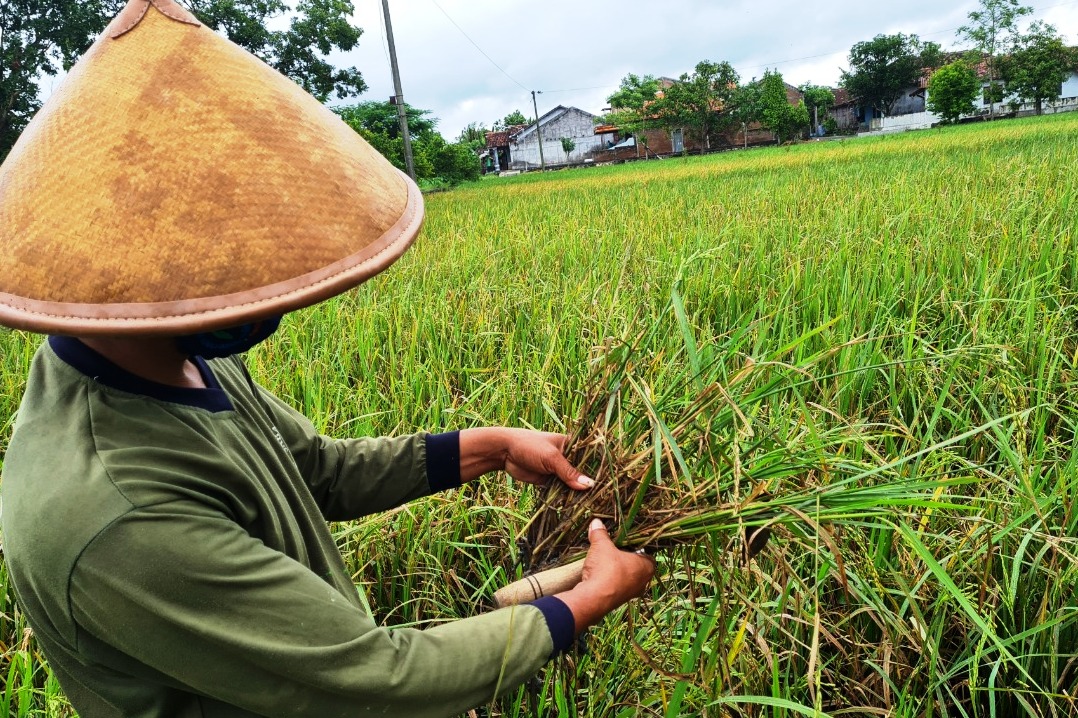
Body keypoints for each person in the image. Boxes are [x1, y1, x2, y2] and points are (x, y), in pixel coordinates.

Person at [0, 1, 654, 716]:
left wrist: (487, 448)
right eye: (235, 264)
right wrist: (591, 598)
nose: (268, 285)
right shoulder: (118, 515)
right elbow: (375, 680)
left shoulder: (162, 349)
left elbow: (315, 472)